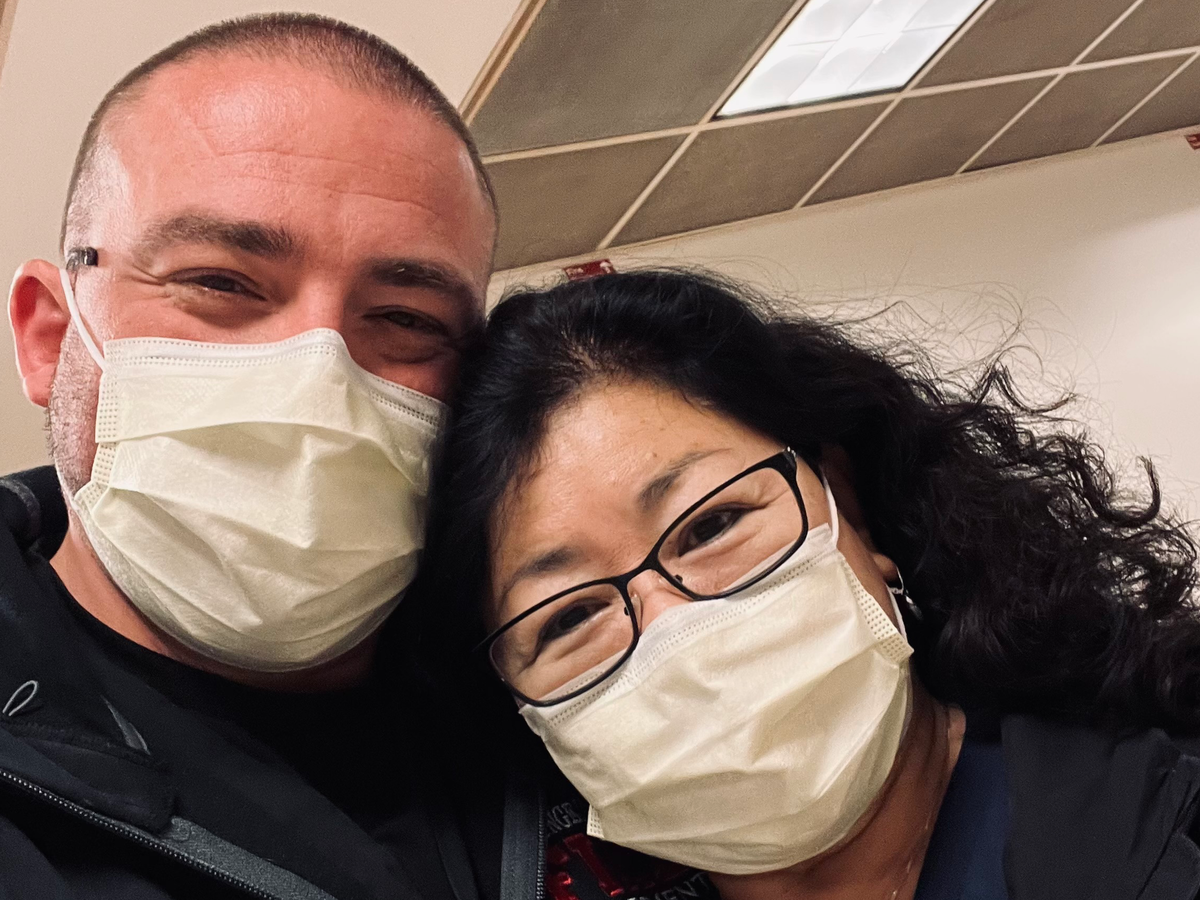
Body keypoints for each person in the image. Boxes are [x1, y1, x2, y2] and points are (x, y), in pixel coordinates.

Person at [423, 269, 1200, 900]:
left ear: (846, 506)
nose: (673, 634)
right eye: (566, 619)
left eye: (713, 525)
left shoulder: (1161, 827)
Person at [0, 13, 503, 899]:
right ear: (49, 338)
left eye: (406, 319)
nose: (318, 377)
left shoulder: (560, 670)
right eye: (219, 282)